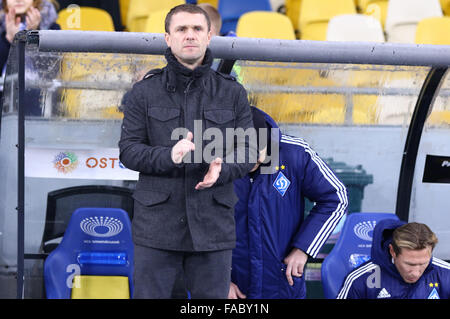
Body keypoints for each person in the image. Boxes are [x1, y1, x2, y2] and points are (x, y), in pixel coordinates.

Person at [118, 4, 256, 299]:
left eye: (197, 29)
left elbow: (247, 150)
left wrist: (224, 169)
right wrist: (168, 155)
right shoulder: (143, 93)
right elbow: (128, 151)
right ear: (168, 38)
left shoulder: (232, 92)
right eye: (181, 29)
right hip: (156, 230)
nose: (189, 35)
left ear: (209, 36)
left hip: (213, 228)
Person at [228, 107, 348, 299]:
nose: (249, 163)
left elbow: (336, 197)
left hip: (282, 285)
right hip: (230, 287)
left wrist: (303, 248)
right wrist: (218, 280)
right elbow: (194, 223)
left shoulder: (294, 153)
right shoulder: (210, 160)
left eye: (256, 155)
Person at [337, 220, 450, 299]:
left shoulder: (446, 274)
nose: (415, 273)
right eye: (409, 264)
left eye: (423, 264)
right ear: (392, 252)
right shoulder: (361, 279)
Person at [0, 0, 60, 75]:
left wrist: (34, 36)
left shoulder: (51, 27)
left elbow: (51, 69)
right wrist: (8, 39)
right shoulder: (1, 28)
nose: (18, 0)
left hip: (37, 86)